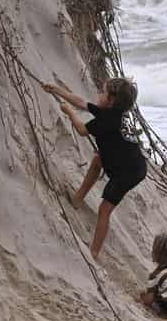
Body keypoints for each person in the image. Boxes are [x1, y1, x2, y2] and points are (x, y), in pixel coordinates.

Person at [42, 77, 147, 259]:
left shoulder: (108, 120)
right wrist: (58, 91)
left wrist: (69, 112)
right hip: (126, 160)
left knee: (105, 208)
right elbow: (82, 103)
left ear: (111, 100)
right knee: (98, 160)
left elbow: (82, 130)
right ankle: (77, 198)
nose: (99, 94)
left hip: (129, 172)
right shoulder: (112, 113)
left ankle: (94, 252)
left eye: (103, 92)